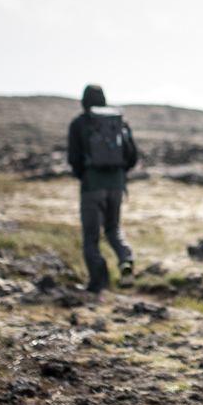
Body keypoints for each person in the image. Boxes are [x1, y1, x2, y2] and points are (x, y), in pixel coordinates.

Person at [67, 84, 139, 296]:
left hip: (92, 185)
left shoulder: (80, 123)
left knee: (91, 237)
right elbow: (132, 156)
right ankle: (125, 259)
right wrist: (118, 175)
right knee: (113, 229)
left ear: (84, 101)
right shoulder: (118, 122)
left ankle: (98, 284)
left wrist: (85, 175)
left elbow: (74, 158)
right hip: (116, 185)